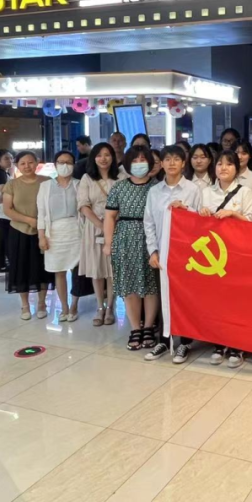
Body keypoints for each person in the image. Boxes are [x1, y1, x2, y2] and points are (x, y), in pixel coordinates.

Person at [199, 149, 252, 368]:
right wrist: (201, 214)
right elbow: (196, 224)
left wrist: (233, 214)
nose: (223, 168)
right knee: (216, 300)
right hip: (214, 253)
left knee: (237, 300)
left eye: (229, 164)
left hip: (237, 253)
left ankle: (237, 345)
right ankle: (219, 342)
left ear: (237, 168)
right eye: (219, 164)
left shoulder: (245, 192)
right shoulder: (206, 192)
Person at [143, 145, 203, 364]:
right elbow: (149, 223)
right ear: (161, 164)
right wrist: (153, 251)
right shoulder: (154, 191)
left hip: (186, 255)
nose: (171, 163)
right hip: (163, 253)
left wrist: (185, 210)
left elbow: (200, 221)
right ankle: (164, 339)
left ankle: (185, 342)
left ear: (183, 163)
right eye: (167, 159)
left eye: (176, 159)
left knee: (184, 298)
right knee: (164, 297)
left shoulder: (193, 189)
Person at [104, 146, 159, 351]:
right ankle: (135, 328)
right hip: (125, 239)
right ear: (127, 164)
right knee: (129, 286)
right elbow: (110, 216)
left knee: (151, 285)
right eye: (134, 161)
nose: (139, 164)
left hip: (151, 240)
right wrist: (108, 243)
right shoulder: (119, 187)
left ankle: (149, 326)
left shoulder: (158, 187)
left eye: (142, 160)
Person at [2, 151, 54, 319]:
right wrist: (29, 220)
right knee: (21, 267)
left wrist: (41, 224)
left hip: (43, 232)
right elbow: (7, 209)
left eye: (30, 162)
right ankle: (25, 305)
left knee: (42, 267)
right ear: (17, 165)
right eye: (22, 163)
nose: (27, 166)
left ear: (37, 163)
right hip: (19, 231)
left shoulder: (47, 181)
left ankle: (42, 303)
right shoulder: (12, 184)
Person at [37, 150, 83, 322]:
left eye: (69, 162)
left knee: (77, 271)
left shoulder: (80, 184)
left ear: (74, 165)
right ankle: (64, 307)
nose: (65, 165)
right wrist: (41, 236)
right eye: (61, 162)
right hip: (54, 232)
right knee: (59, 271)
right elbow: (41, 213)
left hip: (76, 230)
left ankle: (74, 305)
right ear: (55, 165)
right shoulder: (45, 186)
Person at [78, 143, 118, 326]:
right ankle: (99, 307)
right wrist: (101, 225)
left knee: (112, 270)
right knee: (97, 270)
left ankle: (110, 307)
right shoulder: (87, 178)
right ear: (93, 158)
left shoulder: (121, 177)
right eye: (99, 155)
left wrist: (111, 225)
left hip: (117, 227)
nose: (103, 158)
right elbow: (83, 205)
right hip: (93, 227)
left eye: (107, 154)